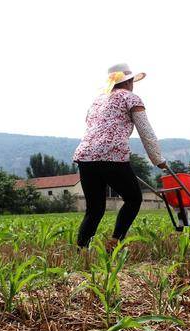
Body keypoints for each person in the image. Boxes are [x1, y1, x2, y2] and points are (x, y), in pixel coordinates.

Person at [73, 63, 166, 248]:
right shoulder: (131, 98)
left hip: (85, 156)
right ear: (129, 81)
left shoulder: (98, 100)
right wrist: (158, 160)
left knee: (95, 209)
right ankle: (115, 241)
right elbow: (146, 132)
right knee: (133, 199)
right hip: (112, 154)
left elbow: (91, 125)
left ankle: (81, 249)